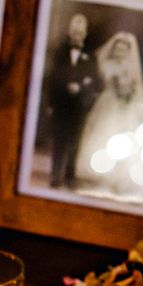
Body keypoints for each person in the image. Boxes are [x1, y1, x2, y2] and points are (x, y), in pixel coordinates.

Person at [75, 31, 143, 197]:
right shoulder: (106, 63)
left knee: (123, 138)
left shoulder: (131, 66)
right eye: (117, 49)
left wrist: (129, 95)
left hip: (124, 105)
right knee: (101, 133)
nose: (120, 52)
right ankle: (98, 173)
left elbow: (136, 85)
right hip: (108, 100)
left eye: (123, 49)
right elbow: (101, 81)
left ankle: (118, 177)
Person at [47, 13, 101, 189]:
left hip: (78, 107)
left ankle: (70, 177)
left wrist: (80, 87)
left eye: (80, 31)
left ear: (85, 33)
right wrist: (50, 104)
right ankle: (55, 177)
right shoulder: (60, 51)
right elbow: (52, 77)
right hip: (61, 104)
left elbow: (95, 80)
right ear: (70, 32)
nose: (77, 34)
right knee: (58, 141)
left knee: (74, 142)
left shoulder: (90, 56)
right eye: (74, 30)